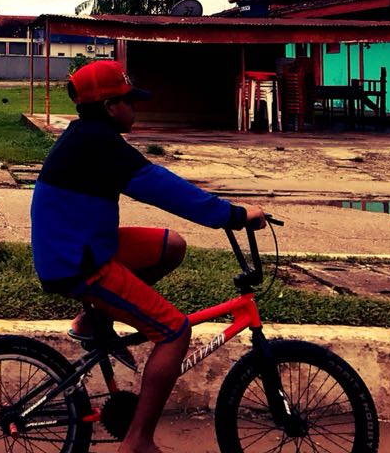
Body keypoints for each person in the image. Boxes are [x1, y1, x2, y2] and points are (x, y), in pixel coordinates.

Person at [30, 60, 264, 453]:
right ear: (109, 107)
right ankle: (137, 441)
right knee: (174, 331)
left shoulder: (91, 136)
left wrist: (226, 214)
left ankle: (92, 320)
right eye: (128, 101)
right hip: (77, 261)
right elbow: (163, 188)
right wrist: (233, 215)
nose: (135, 108)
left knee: (172, 245)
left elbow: (159, 185)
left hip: (84, 242)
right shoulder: (99, 144)